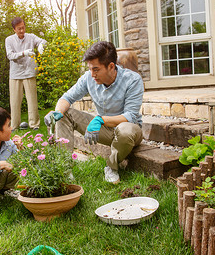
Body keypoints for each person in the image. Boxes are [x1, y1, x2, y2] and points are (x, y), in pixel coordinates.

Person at [44, 41, 144, 184]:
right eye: (90, 69)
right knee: (65, 114)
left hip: (129, 131)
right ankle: (64, 170)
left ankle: (111, 167)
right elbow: (67, 97)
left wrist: (100, 120)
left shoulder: (132, 80)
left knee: (125, 129)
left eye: (96, 69)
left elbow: (130, 116)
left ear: (111, 66)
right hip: (104, 129)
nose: (92, 74)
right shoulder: (88, 78)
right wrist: (57, 112)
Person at [5, 17, 47, 131]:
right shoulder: (9, 40)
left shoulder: (31, 37)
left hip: (29, 72)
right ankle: (14, 125)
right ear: (14, 29)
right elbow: (10, 55)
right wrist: (24, 53)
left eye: (23, 27)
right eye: (19, 29)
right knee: (15, 101)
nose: (22, 30)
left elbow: (43, 41)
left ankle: (34, 124)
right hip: (15, 74)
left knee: (32, 99)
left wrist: (41, 45)